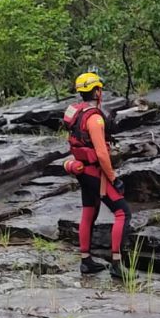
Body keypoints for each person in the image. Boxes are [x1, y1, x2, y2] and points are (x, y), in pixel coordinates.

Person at [61, 72, 132, 278]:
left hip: (81, 170)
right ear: (97, 91)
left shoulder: (78, 114)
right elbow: (101, 153)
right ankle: (117, 266)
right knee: (122, 212)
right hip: (94, 172)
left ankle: (86, 261)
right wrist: (113, 178)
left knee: (89, 211)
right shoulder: (93, 118)